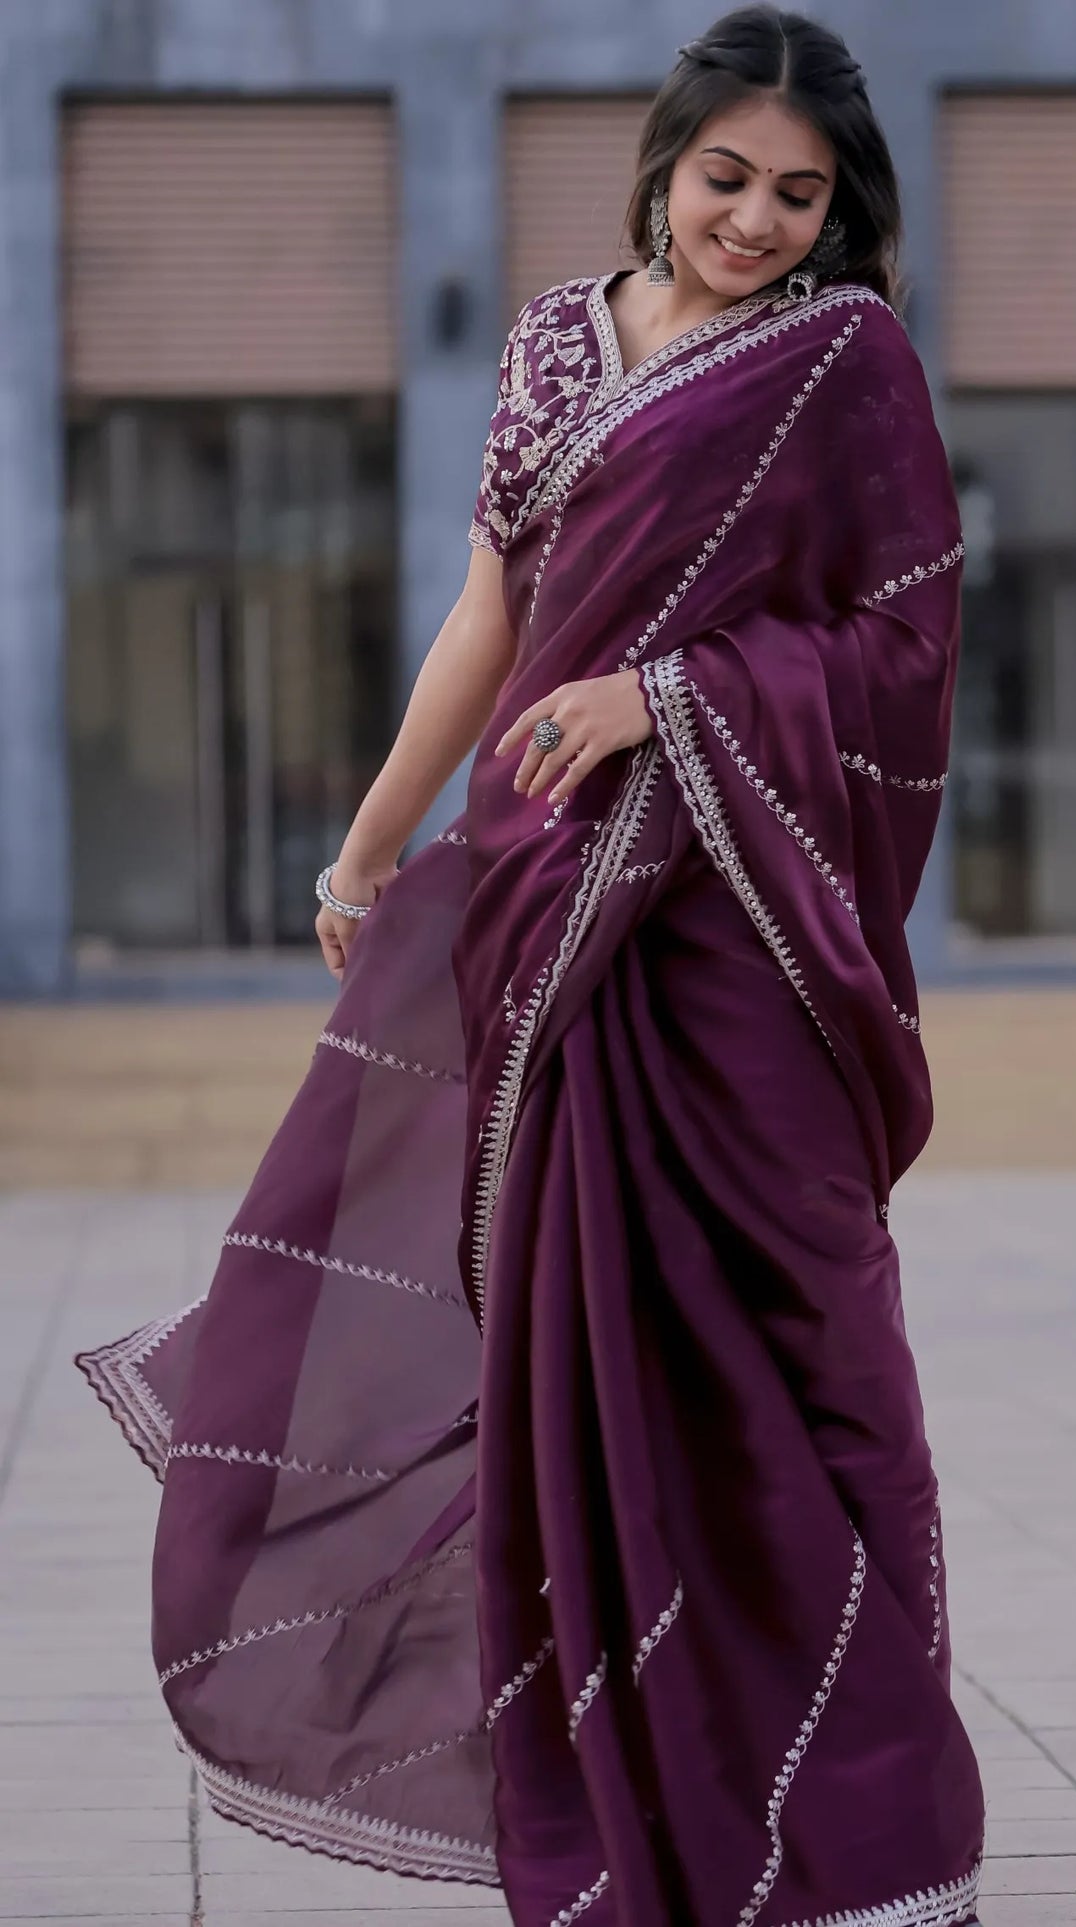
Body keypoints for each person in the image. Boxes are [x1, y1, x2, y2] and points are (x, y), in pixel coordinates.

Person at [76, 8, 986, 1922]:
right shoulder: (557, 343)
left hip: (730, 936)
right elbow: (487, 614)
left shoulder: (846, 360)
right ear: (663, 160)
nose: (752, 219)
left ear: (839, 213)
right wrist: (371, 832)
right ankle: (619, 1750)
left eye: (796, 195)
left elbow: (900, 657)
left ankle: (852, 1799)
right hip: (540, 891)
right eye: (725, 176)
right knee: (575, 1340)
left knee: (774, 1331)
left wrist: (671, 694)